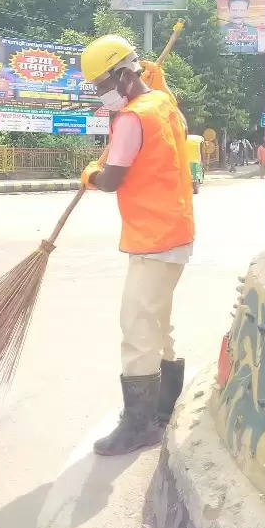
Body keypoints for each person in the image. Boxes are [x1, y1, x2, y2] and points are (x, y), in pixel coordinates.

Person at [78, 34, 195, 457]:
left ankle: (140, 426)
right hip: (176, 233)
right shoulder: (162, 104)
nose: (100, 94)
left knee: (138, 328)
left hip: (153, 239)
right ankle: (165, 408)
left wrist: (90, 173)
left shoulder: (131, 119)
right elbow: (165, 102)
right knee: (159, 323)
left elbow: (112, 179)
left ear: (126, 76)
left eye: (102, 85)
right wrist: (155, 83)